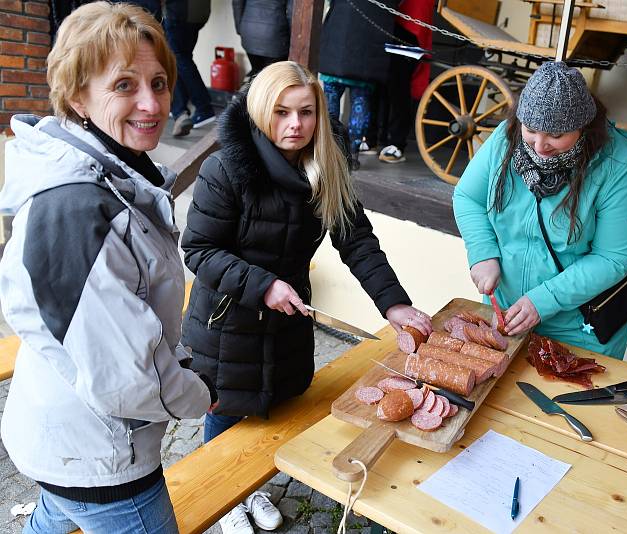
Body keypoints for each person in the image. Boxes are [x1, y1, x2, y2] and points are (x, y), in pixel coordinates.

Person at [179, 60, 433, 534]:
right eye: (282, 112)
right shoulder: (226, 166)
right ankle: (225, 497)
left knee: (276, 398)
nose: (296, 125)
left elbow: (356, 240)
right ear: (260, 112)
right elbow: (199, 249)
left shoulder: (326, 166)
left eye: (306, 112)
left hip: (288, 314)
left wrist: (394, 304)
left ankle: (252, 485)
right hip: (227, 316)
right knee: (227, 405)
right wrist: (262, 285)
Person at [0, 3, 217, 533]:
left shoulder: (112, 170)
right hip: (99, 455)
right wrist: (201, 391)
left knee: (53, 515)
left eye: (161, 82)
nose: (152, 103)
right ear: (77, 96)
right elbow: (127, 378)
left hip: (63, 432)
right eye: (124, 85)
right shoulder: (78, 209)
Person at [453, 61, 627, 358]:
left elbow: (615, 256)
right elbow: (468, 197)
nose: (540, 145)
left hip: (580, 328)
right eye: (531, 129)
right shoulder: (506, 139)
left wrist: (544, 300)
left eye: (556, 135)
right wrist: (482, 253)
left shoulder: (618, 163)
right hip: (506, 314)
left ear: (583, 125)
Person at [318, 0, 398, 159]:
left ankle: (328, 148)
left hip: (336, 40)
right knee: (360, 102)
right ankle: (353, 152)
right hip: (366, 47)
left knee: (330, 101)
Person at [378, 0, 434, 164]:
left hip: (410, 22)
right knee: (386, 83)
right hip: (392, 19)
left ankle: (396, 142)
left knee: (399, 86)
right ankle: (380, 137)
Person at [163, 0, 216, 137]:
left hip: (179, 12)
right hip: (199, 13)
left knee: (177, 58)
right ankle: (181, 110)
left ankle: (203, 107)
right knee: (181, 59)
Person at [231, 0, 292, 80]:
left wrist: (240, 28)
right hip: (275, 37)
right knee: (274, 79)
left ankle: (250, 90)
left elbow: (237, 3)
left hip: (249, 33)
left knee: (257, 72)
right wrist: (292, 36)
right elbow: (291, 11)